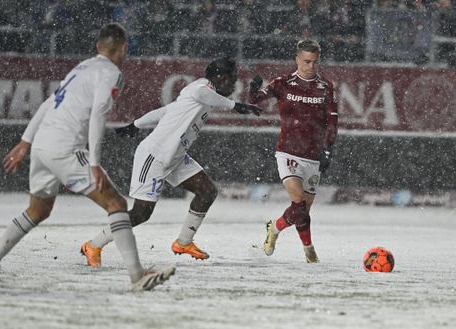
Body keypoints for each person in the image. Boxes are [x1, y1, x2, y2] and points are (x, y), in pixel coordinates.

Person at [0, 23, 175, 291]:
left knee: (38, 210)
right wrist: (94, 164)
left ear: (97, 47)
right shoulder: (111, 73)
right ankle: (137, 276)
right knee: (115, 203)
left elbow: (47, 103)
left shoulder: (81, 68)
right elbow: (99, 112)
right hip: (66, 147)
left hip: (43, 145)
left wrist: (25, 142)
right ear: (124, 47)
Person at [80, 57, 261, 267]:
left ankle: (184, 242)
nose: (234, 85)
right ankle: (93, 244)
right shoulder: (201, 87)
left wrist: (136, 124)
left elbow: (166, 111)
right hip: (154, 156)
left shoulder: (200, 97)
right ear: (220, 77)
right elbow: (203, 93)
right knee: (141, 213)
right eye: (232, 80)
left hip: (175, 157)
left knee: (207, 191)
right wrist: (235, 105)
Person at [248, 39, 338, 263]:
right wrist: (252, 89)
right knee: (297, 200)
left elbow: (332, 122)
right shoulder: (282, 83)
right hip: (287, 152)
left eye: (315, 62)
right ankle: (309, 251)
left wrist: (328, 149)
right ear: (297, 59)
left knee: (302, 212)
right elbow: (256, 100)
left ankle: (275, 229)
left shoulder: (326, 87)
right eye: (306, 61)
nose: (311, 67)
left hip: (313, 156)